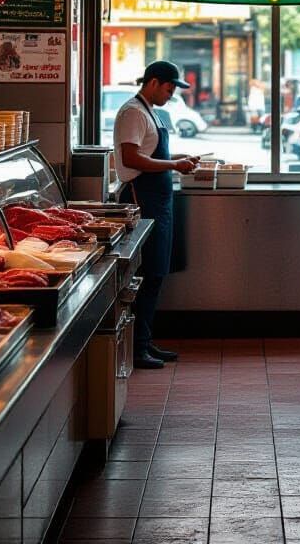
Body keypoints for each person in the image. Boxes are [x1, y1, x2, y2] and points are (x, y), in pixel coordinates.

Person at [113, 60, 199, 369]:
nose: (171, 93)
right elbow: (131, 157)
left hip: (159, 201)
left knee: (156, 273)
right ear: (152, 82)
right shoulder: (133, 113)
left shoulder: (149, 111)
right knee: (146, 273)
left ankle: (145, 341)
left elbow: (152, 153)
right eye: (169, 87)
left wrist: (178, 158)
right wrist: (174, 166)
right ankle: (137, 347)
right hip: (142, 198)